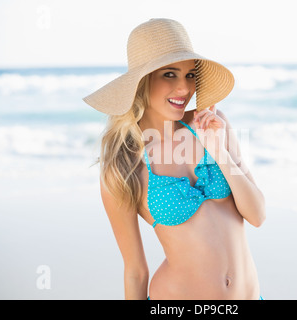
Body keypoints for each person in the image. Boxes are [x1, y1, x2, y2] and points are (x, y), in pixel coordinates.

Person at [83, 18, 266, 300]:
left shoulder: (213, 126)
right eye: (170, 74)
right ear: (143, 82)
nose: (184, 88)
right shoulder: (123, 167)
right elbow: (135, 270)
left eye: (190, 75)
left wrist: (218, 151)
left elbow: (257, 215)